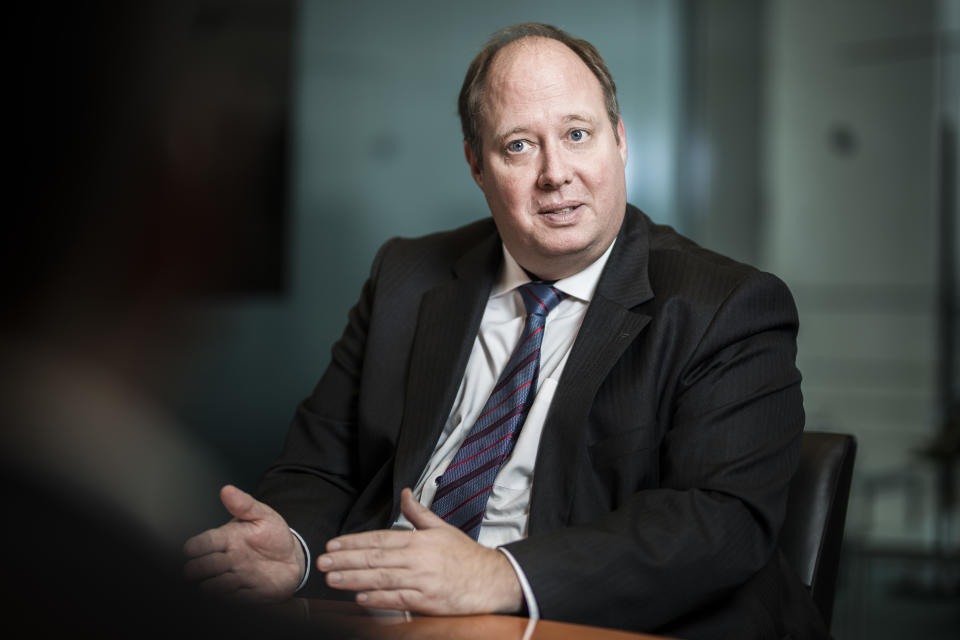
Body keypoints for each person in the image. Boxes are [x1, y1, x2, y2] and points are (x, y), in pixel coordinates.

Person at [184, 23, 828, 639]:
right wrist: (293, 549)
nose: (556, 173)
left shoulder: (727, 306)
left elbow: (719, 522)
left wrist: (499, 574)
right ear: (476, 164)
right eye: (519, 145)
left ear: (620, 139)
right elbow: (321, 463)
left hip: (586, 623)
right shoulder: (408, 276)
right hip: (384, 618)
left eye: (578, 134)